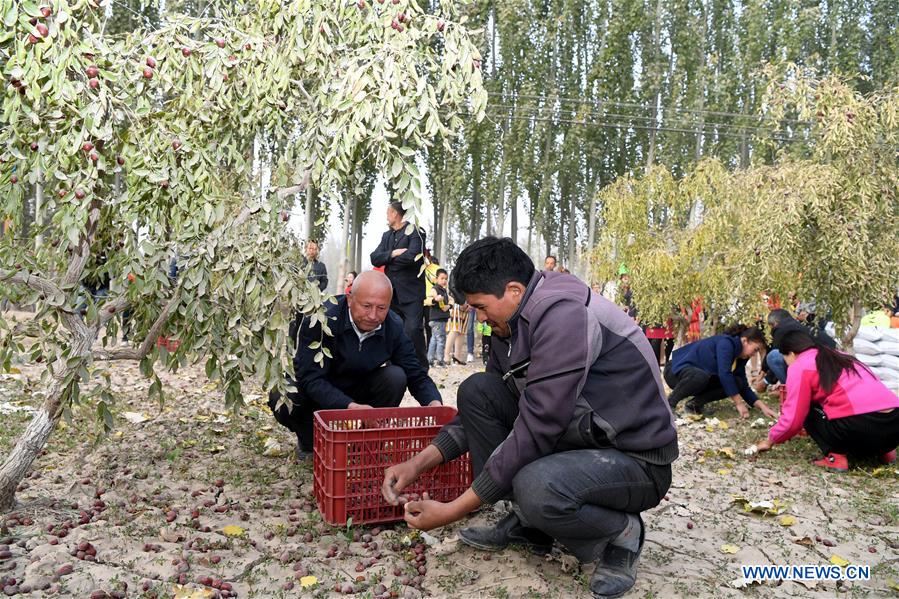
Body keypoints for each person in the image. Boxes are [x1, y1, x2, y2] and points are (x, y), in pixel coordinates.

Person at [380, 237, 678, 599]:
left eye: (481, 307)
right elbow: (490, 406)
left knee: (536, 486)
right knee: (478, 390)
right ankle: (528, 521)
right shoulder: (511, 323)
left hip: (634, 458)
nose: (480, 318)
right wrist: (417, 464)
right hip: (578, 437)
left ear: (514, 290)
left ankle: (620, 532)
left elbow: (538, 426)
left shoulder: (563, 314)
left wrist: (451, 511)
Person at [267, 271, 442, 460]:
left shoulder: (394, 326)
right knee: (285, 392)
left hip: (361, 391)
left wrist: (435, 404)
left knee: (396, 377)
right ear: (350, 299)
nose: (373, 316)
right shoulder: (321, 318)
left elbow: (415, 374)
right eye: (366, 306)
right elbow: (310, 378)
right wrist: (349, 407)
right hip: (320, 393)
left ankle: (366, 441)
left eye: (382, 308)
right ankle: (310, 441)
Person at [752, 330, 899, 470]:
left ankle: (836, 458)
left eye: (785, 359)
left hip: (859, 428)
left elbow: (793, 419)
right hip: (894, 427)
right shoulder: (841, 356)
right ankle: (886, 453)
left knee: (806, 409)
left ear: (790, 353)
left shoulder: (800, 366)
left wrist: (771, 439)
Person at [664, 325, 778, 418]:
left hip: (697, 376)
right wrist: (738, 402)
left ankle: (694, 405)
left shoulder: (741, 355)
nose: (754, 354)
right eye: (755, 349)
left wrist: (762, 407)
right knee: (702, 376)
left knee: (736, 382)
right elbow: (724, 374)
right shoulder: (726, 343)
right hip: (675, 372)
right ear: (745, 341)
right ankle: (669, 405)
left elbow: (742, 385)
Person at [370, 202, 428, 367]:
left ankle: (421, 367)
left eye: (388, 212)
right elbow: (374, 258)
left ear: (396, 213)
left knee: (414, 330)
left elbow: (412, 256)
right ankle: (393, 366)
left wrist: (387, 260)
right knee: (391, 330)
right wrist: (393, 253)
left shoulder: (415, 232)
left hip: (411, 293)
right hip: (391, 293)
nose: (386, 215)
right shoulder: (386, 236)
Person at [764, 309, 837, 385]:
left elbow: (780, 353)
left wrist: (766, 381)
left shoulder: (780, 330)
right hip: (832, 359)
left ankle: (792, 387)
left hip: (821, 363)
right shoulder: (799, 325)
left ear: (774, 324)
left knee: (773, 356)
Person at [426, 269, 451, 368]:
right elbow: (429, 300)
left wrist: (449, 305)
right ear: (436, 279)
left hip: (438, 319)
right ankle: (440, 360)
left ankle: (430, 360)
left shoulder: (443, 290)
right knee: (441, 339)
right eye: (442, 278)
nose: (444, 281)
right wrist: (435, 299)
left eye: (446, 279)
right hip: (437, 319)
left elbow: (449, 302)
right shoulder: (435, 289)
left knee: (434, 339)